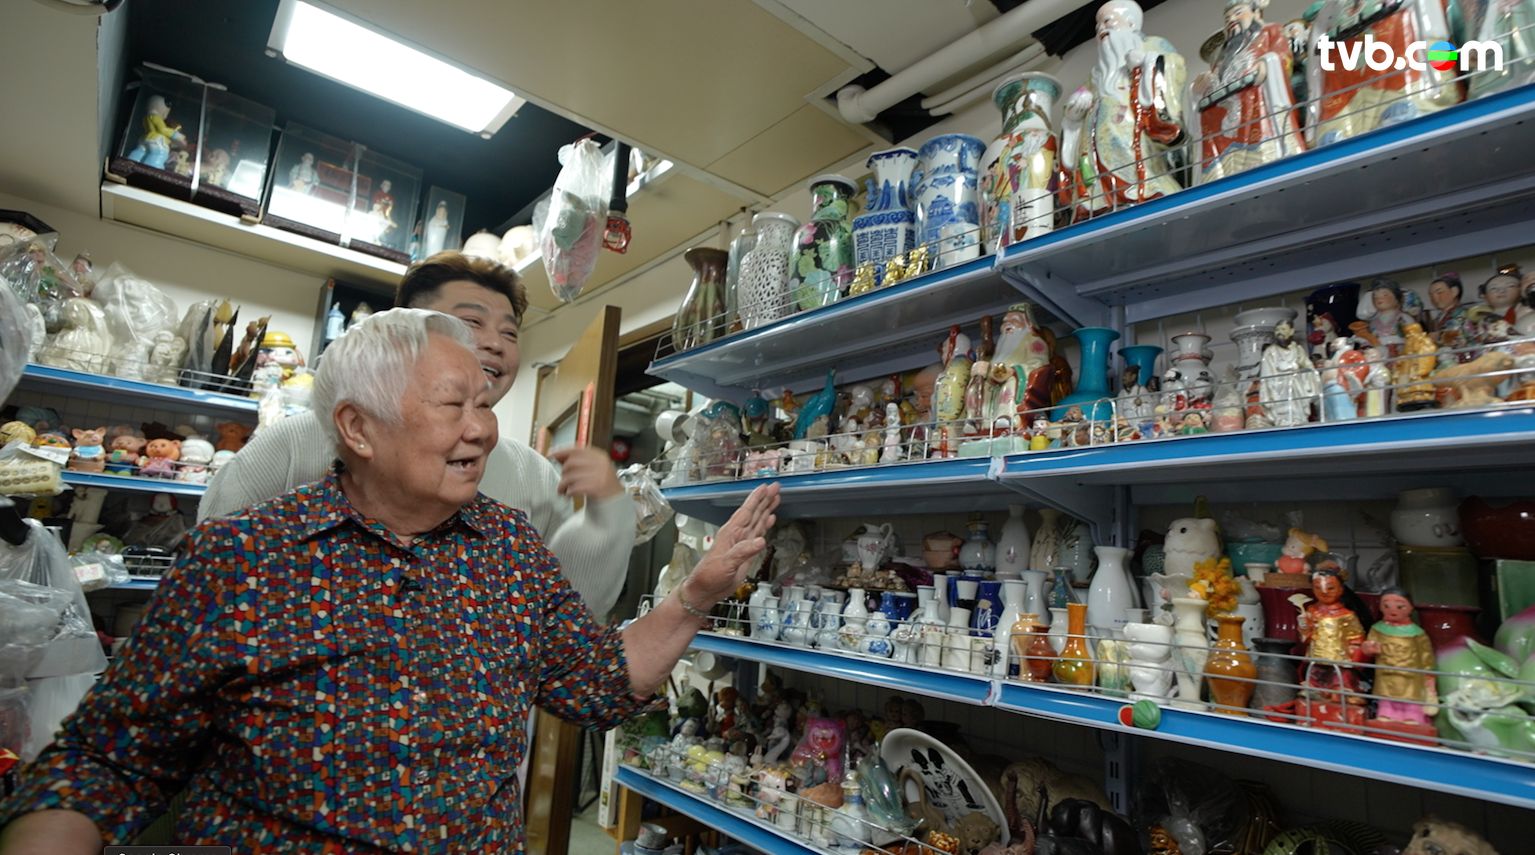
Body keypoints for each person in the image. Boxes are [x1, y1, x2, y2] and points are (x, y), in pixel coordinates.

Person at [0, 309, 781, 853]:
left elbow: (600, 680)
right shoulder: (241, 559)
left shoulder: (509, 547)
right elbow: (106, 759)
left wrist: (696, 594)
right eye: (452, 404)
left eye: (484, 402)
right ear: (356, 427)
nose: (482, 427)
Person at [200, 251, 636, 619]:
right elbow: (214, 571)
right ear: (406, 328)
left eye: (509, 332)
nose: (495, 343)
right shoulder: (297, 443)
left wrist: (608, 516)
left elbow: (568, 619)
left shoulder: (532, 477)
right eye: (472, 322)